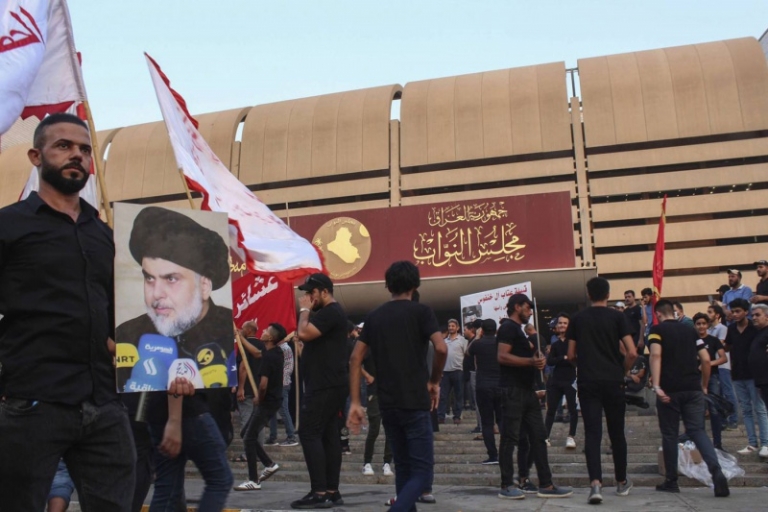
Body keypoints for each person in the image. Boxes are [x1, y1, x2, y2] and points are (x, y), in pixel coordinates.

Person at [0, 113, 136, 510]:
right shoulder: (9, 226)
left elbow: (119, 314)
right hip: (32, 402)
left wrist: (174, 365)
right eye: (63, 146)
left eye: (84, 149)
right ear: (36, 156)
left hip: (103, 403)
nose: (76, 155)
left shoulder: (104, 234)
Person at [114, 206, 235, 512]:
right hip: (168, 419)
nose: (156, 294)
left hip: (198, 415)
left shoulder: (225, 328)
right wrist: (173, 421)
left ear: (204, 284)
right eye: (149, 278)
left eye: (170, 279)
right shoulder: (129, 332)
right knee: (209, 481)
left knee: (168, 489)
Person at [348, 261, 447, 512]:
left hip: (388, 402)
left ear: (388, 286)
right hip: (415, 400)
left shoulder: (374, 316)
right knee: (422, 473)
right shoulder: (422, 312)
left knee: (403, 467)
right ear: (415, 285)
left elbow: (355, 358)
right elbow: (441, 348)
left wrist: (356, 402)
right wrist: (434, 381)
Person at [648, 300, 729, 497]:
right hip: (693, 388)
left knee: (670, 434)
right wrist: (703, 385)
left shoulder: (657, 330)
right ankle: (716, 471)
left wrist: (656, 385)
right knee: (697, 431)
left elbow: (656, 356)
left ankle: (671, 481)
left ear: (658, 314)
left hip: (669, 389)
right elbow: (706, 359)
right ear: (674, 313)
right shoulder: (690, 330)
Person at [567, 276, 636, 505]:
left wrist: (583, 366)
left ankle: (595, 483)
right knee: (617, 432)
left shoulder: (578, 319)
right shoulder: (618, 317)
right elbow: (632, 352)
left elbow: (570, 355)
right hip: (613, 381)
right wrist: (623, 370)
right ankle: (621, 481)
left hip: (588, 381)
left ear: (588, 294)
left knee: (592, 433)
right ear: (608, 294)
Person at [496, 293, 573, 500]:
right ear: (516, 307)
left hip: (528, 391)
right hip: (512, 390)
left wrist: (536, 358)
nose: (530, 311)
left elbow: (525, 355)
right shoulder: (508, 328)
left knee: (539, 436)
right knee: (510, 437)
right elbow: (502, 356)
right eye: (527, 307)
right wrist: (531, 362)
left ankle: (546, 484)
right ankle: (506, 484)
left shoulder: (519, 331)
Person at [292, 273, 349, 509]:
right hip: (328, 382)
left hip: (325, 385)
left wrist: (304, 311)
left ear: (324, 292)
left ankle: (319, 492)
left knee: (309, 432)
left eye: (311, 293)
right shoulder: (330, 314)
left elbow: (305, 333)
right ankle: (331, 490)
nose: (308, 297)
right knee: (327, 434)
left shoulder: (330, 312)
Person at [234, 323, 286, 491]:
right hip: (273, 400)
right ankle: (269, 464)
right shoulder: (275, 352)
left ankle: (253, 479)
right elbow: (256, 353)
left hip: (267, 401)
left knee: (249, 437)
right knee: (245, 433)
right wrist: (240, 337)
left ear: (270, 337)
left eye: (266, 331)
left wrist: (259, 398)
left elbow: (263, 385)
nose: (262, 331)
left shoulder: (269, 357)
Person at [724, 298, 768, 458]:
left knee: (760, 409)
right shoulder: (732, 329)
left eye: (738, 311)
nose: (735, 314)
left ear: (745, 312)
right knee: (746, 410)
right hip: (737, 374)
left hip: (754, 375)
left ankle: (765, 443)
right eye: (733, 311)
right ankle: (752, 443)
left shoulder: (754, 328)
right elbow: (727, 346)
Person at [469, 318, 503, 464]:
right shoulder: (501, 343)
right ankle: (505, 453)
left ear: (482, 330)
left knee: (487, 423)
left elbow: (468, 352)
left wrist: (477, 336)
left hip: (483, 386)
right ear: (495, 330)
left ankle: (493, 455)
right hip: (500, 385)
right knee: (502, 420)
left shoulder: (478, 344)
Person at [693, 312, 727, 450]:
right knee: (697, 411)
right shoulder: (691, 340)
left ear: (707, 325)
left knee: (714, 410)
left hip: (712, 377)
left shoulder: (713, 340)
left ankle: (718, 443)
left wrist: (708, 363)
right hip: (695, 378)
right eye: (698, 324)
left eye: (703, 323)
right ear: (694, 325)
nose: (701, 326)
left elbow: (723, 358)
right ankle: (699, 443)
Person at [545, 314, 578, 450]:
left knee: (572, 409)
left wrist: (564, 358)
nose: (562, 325)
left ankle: (571, 436)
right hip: (557, 380)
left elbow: (575, 359)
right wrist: (563, 358)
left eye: (565, 323)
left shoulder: (574, 342)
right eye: (560, 323)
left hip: (570, 379)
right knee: (551, 409)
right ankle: (545, 436)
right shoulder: (555, 344)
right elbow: (550, 361)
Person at [361, 346, 394, 477]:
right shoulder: (369, 347)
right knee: (374, 428)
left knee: (390, 429)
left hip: (390, 391)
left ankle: (387, 462)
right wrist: (367, 375)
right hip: (374, 391)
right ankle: (367, 462)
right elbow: (354, 362)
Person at [708, 303, 738, 429]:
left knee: (728, 391)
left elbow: (718, 345)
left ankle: (733, 418)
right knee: (717, 394)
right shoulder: (709, 330)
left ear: (717, 315)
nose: (708, 314)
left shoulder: (722, 328)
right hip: (713, 366)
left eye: (710, 312)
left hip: (723, 365)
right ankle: (722, 420)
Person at [268, 329, 298, 447]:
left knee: (283, 410)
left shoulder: (283, 349)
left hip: (281, 384)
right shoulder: (280, 348)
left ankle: (291, 436)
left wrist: (279, 381)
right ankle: (272, 436)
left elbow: (287, 368)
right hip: (278, 383)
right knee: (272, 411)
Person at [438, 319, 468, 425]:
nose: (451, 328)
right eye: (449, 326)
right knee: (443, 395)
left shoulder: (462, 340)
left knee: (458, 395)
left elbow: (466, 354)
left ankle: (457, 416)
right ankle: (441, 416)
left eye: (453, 326)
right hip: (445, 371)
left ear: (457, 328)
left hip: (458, 371)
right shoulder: (444, 341)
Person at [749, 304, 768, 408]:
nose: (754, 318)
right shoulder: (759, 333)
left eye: (757, 315)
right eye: (752, 315)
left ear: (767, 317)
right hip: (762, 381)